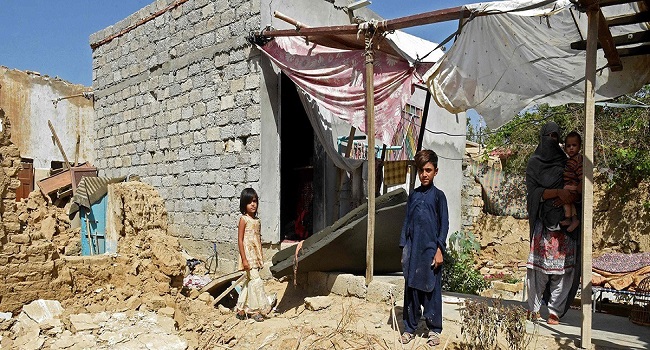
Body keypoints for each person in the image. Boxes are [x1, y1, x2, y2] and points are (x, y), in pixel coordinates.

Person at [525, 122, 577, 326]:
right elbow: (533, 194)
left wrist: (568, 196)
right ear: (542, 137)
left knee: (563, 271)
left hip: (563, 227)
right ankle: (534, 308)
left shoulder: (567, 163)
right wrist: (557, 193)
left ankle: (555, 311)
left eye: (556, 136)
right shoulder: (534, 163)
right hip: (543, 225)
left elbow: (576, 184)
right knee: (538, 270)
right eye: (549, 136)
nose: (552, 140)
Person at [399, 149, 449, 346]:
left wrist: (439, 250)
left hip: (430, 250)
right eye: (421, 171)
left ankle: (434, 329)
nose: (424, 174)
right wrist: (404, 247)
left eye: (428, 170)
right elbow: (407, 222)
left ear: (436, 171)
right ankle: (410, 328)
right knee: (411, 289)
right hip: (413, 249)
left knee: (431, 290)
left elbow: (444, 225)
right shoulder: (414, 195)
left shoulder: (439, 197)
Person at [235, 188, 274, 322]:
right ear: (244, 204)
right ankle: (254, 310)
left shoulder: (257, 221)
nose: (253, 204)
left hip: (255, 255)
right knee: (256, 281)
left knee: (249, 281)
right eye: (250, 202)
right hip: (247, 256)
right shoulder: (243, 219)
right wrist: (244, 259)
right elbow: (240, 240)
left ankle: (241, 309)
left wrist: (260, 257)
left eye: (255, 201)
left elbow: (257, 240)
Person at [559, 131, 583, 233]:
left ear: (579, 146)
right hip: (571, 185)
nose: (571, 148)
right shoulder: (570, 160)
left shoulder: (578, 159)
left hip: (573, 186)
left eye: (574, 145)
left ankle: (571, 218)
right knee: (570, 202)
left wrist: (578, 187)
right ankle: (571, 219)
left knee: (565, 195)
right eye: (568, 146)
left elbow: (581, 174)